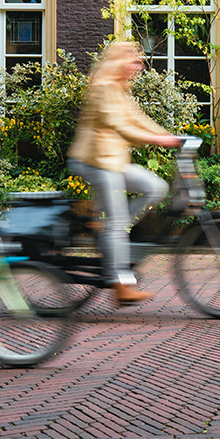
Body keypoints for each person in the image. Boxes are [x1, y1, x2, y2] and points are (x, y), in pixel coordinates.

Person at [67, 41, 182, 306]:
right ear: (119, 61)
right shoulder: (102, 87)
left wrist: (167, 135)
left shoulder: (119, 89)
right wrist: (157, 141)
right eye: (133, 61)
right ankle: (122, 286)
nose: (138, 66)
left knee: (156, 187)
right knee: (118, 225)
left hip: (114, 161)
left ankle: (111, 230)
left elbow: (136, 117)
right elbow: (119, 126)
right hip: (94, 161)